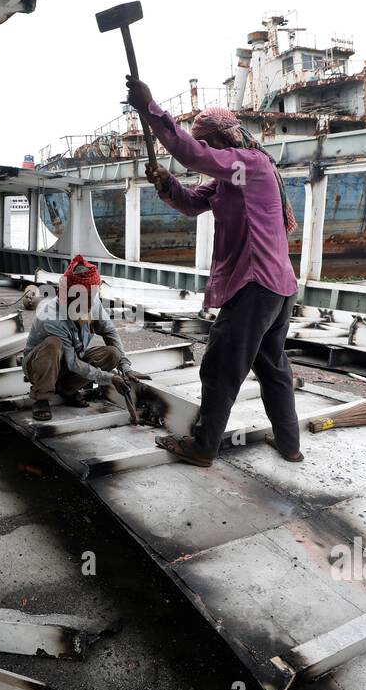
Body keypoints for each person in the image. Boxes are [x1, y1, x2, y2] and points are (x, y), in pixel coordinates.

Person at [126, 74, 303, 467]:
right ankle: (290, 445)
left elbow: (193, 156)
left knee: (220, 367)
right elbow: (190, 203)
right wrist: (167, 183)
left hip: (256, 286)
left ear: (226, 139)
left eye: (210, 143)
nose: (208, 151)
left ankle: (203, 447)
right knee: (272, 367)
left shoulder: (251, 165)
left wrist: (150, 109)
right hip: (278, 288)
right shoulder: (230, 180)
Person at [22, 256, 151, 422]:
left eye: (92, 299)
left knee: (113, 354)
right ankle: (41, 398)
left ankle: (66, 389)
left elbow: (110, 332)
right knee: (53, 344)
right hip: (40, 366)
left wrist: (126, 368)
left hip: (71, 361)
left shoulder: (92, 302)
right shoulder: (52, 318)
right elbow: (72, 363)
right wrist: (109, 378)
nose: (90, 306)